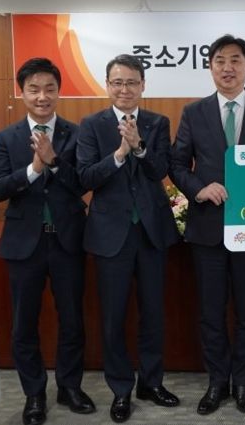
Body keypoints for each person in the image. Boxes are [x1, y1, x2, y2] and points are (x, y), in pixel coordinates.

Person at [169, 34, 245, 415]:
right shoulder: (193, 112)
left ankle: (243, 382)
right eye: (220, 60)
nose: (227, 68)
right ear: (210, 67)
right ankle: (217, 382)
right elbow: (177, 164)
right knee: (211, 312)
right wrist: (199, 189)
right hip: (208, 228)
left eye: (235, 60)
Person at [0, 57, 94, 425]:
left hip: (67, 242)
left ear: (59, 91)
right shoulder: (6, 138)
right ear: (22, 93)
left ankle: (69, 387)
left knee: (72, 320)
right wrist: (34, 169)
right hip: (24, 245)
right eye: (33, 89)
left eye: (49, 88)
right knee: (24, 323)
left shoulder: (77, 134)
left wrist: (54, 162)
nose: (42, 96)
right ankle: (34, 394)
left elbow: (83, 183)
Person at [76, 54, 180, 423]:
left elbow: (161, 170)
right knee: (113, 316)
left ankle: (151, 382)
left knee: (153, 314)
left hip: (151, 232)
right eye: (118, 82)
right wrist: (120, 154)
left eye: (132, 82)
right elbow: (86, 177)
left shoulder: (157, 122)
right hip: (110, 235)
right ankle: (121, 388)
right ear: (107, 85)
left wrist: (139, 147)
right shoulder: (91, 126)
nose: (125, 89)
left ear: (143, 85)